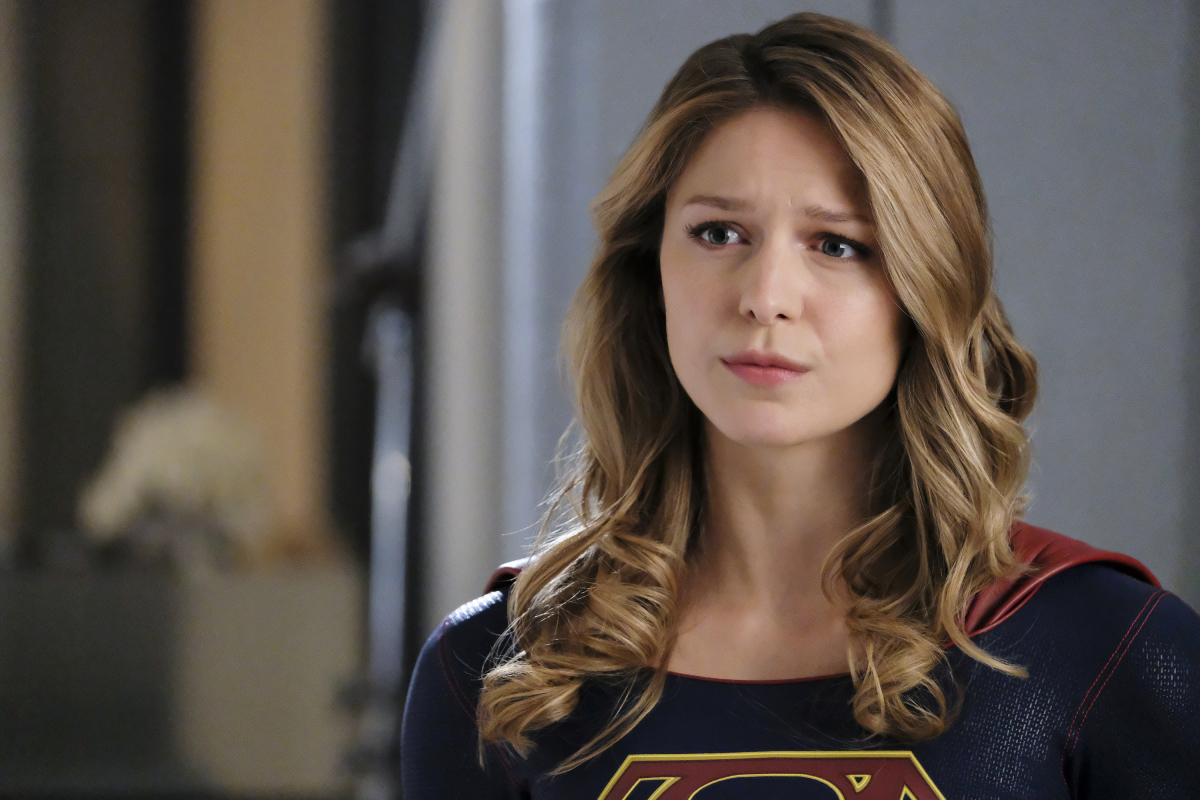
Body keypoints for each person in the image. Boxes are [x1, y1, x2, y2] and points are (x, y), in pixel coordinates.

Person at [401, 12, 1200, 799]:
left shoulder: (1107, 650)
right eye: (719, 233)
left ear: (925, 289)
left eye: (837, 245)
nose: (765, 296)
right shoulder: (498, 671)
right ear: (650, 271)